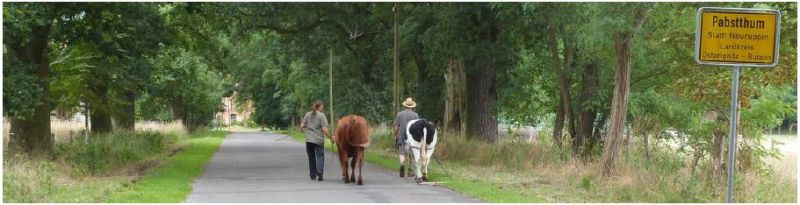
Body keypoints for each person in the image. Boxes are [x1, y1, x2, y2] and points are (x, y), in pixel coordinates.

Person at [301, 100, 331, 181]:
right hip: (318, 140)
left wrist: (308, 125)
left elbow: (302, 125)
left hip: (309, 140)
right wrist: (330, 137)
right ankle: (320, 171)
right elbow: (324, 129)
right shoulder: (322, 115)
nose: (322, 108)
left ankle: (313, 175)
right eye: (322, 106)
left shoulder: (307, 114)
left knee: (311, 157)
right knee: (320, 155)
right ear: (320, 107)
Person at [394, 97, 419, 177]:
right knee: (412, 153)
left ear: (405, 106)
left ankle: (402, 164)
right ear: (412, 106)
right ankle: (410, 170)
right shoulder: (415, 115)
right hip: (412, 138)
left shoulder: (400, 114)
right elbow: (418, 127)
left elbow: (396, 127)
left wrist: (395, 135)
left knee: (402, 152)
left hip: (402, 136)